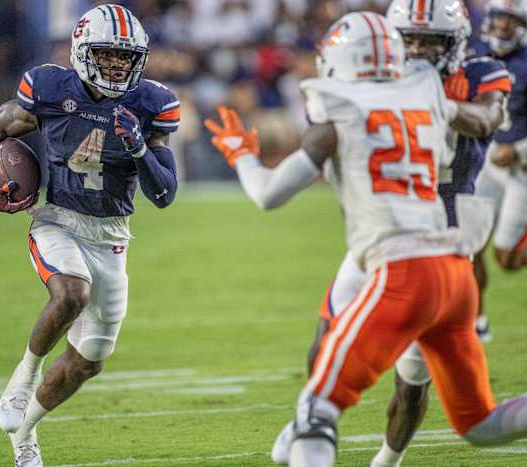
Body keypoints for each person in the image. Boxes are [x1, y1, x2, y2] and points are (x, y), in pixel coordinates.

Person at [206, 11, 527, 467]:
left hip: (404, 265)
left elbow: (268, 194)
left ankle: (343, 439)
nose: (417, 53)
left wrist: (241, 154)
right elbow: (448, 112)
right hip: (451, 270)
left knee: (317, 410)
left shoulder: (343, 109)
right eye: (408, 43)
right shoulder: (427, 99)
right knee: (481, 424)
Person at [0, 5, 179, 466]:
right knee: (71, 294)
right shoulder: (49, 88)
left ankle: (25, 435)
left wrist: (140, 147)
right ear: (84, 54)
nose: (118, 67)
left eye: (126, 58)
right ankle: (25, 376)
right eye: (108, 56)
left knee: (89, 362)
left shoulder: (151, 104)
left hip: (112, 234)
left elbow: (164, 194)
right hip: (58, 218)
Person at [473, 0, 527, 340]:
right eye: (499, 19)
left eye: (512, 20)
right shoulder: (475, 56)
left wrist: (519, 149)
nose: (504, 27)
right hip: (486, 162)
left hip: (521, 169)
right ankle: (476, 320)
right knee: (469, 243)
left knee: (506, 258)